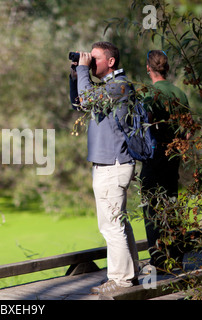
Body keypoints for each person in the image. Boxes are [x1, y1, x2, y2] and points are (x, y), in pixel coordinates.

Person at [69, 42, 139, 294]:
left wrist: (85, 72)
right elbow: (79, 103)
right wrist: (77, 75)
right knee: (118, 223)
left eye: (95, 58)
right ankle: (131, 274)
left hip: (112, 165)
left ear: (111, 62)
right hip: (108, 165)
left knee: (111, 226)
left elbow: (87, 100)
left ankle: (121, 280)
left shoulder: (119, 86)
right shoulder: (108, 88)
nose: (91, 62)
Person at [140, 50, 190, 271]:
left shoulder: (150, 94)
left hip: (154, 157)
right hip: (174, 158)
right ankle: (177, 258)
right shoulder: (180, 93)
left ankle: (158, 261)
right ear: (166, 68)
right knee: (171, 206)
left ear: (148, 68)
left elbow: (146, 127)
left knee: (152, 209)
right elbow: (188, 131)